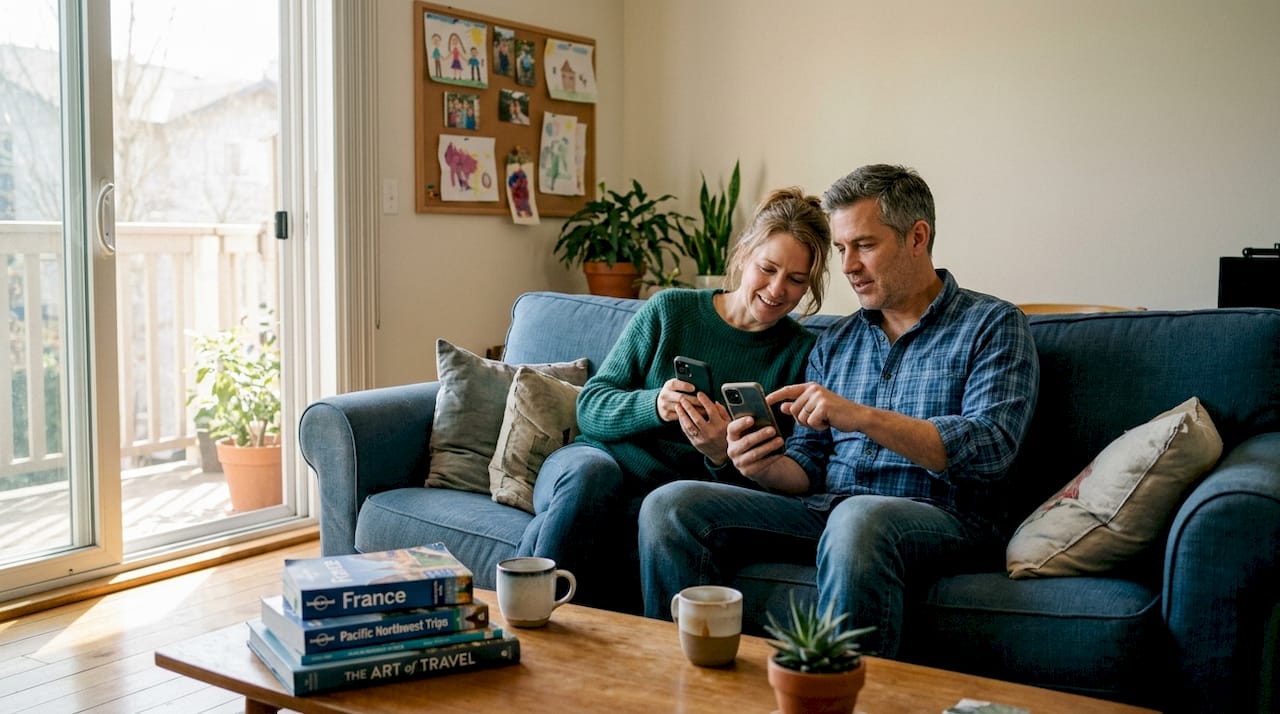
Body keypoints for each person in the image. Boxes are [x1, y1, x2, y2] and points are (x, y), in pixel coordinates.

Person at [637, 164, 1040, 658]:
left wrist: (861, 416)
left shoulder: (992, 325)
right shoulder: (836, 343)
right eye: (842, 248)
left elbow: (990, 449)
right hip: (826, 511)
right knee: (670, 505)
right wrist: (763, 465)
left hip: (945, 517)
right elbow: (807, 465)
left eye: (864, 245)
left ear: (918, 237)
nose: (848, 265)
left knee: (858, 518)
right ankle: (684, 692)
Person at [516, 187, 833, 611]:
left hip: (669, 495)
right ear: (743, 254)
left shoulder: (800, 354)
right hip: (593, 463)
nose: (777, 290)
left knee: (652, 511)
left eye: (796, 280)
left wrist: (719, 454)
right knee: (593, 478)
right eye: (768, 269)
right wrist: (655, 405)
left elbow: (769, 488)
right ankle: (530, 616)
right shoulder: (670, 310)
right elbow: (590, 406)